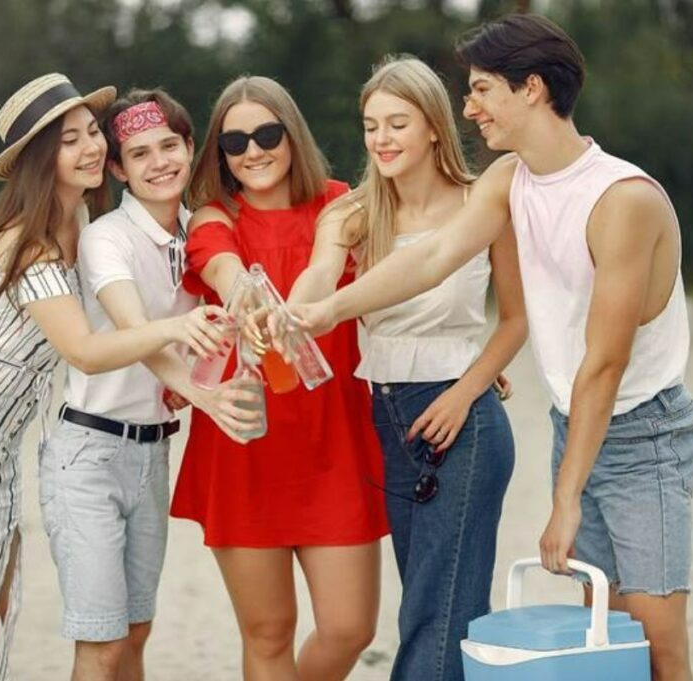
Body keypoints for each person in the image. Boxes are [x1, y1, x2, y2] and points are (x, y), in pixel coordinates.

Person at [293, 16, 693, 681]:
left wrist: (564, 498)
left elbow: (603, 364)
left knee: (658, 648)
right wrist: (328, 309)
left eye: (481, 89)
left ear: (532, 88)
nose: (468, 106)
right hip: (577, 427)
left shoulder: (621, 199)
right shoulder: (511, 177)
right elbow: (432, 257)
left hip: (642, 434)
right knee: (614, 642)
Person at [0, 73, 243, 681]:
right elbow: (84, 350)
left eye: (91, 135)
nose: (89, 149)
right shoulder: (25, 242)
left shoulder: (83, 222)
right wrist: (176, 337)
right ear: (38, 159)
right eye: (67, 141)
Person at [287, 56, 525, 681]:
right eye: (371, 126)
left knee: (440, 613)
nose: (382, 139)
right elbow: (316, 275)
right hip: (388, 413)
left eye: (398, 123)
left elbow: (515, 321)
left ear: (433, 129)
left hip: (461, 415)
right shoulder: (354, 212)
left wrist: (466, 392)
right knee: (428, 606)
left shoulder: (484, 203)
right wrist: (299, 307)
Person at [170, 75, 389, 680]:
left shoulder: (342, 203)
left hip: (334, 441)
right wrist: (243, 289)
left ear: (293, 134)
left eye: (267, 133)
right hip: (244, 444)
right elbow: (218, 262)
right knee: (268, 634)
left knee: (350, 627)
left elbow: (388, 289)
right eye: (234, 141)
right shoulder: (214, 216)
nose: (253, 151)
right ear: (219, 153)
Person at [39, 87, 254, 681]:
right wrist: (202, 392)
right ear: (117, 167)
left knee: (136, 633)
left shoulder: (200, 231)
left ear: (190, 147)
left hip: (152, 450)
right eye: (139, 154)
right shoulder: (106, 237)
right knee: (101, 640)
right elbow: (137, 328)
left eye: (169, 146)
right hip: (89, 453)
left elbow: (209, 323)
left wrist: (193, 380)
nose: (159, 163)